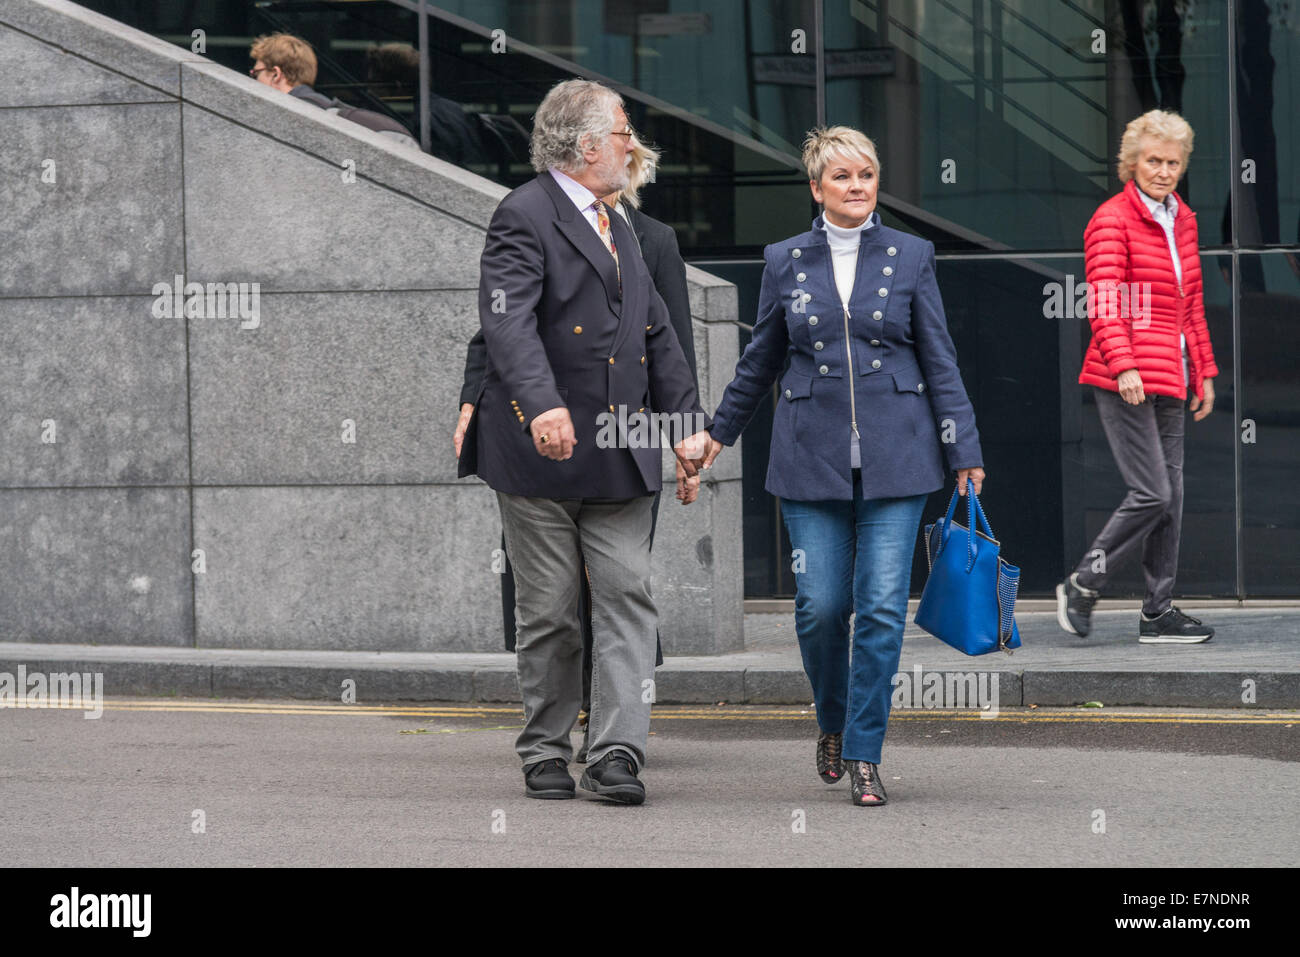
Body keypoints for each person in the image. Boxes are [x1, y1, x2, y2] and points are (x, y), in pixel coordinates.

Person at [700, 126, 984, 806]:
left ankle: (864, 749)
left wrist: (964, 448)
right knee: (822, 606)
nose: (858, 186)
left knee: (882, 609)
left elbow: (939, 358)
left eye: (867, 175)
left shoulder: (912, 254)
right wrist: (716, 434)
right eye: (844, 177)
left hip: (900, 455)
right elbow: (761, 359)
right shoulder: (785, 259)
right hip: (809, 457)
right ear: (817, 187)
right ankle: (831, 719)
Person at [458, 79, 710, 805]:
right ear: (586, 144)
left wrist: (685, 425)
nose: (634, 145)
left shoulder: (622, 224)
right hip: (541, 450)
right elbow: (505, 323)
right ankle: (544, 745)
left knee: (628, 595)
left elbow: (657, 335)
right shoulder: (522, 214)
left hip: (623, 448)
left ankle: (616, 753)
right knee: (551, 609)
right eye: (624, 132)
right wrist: (540, 404)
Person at [1057, 110, 1219, 644]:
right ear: (1133, 162)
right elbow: (1103, 302)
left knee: (1170, 496)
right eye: (1154, 160)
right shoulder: (1112, 219)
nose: (1164, 170)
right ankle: (1084, 582)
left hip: (1173, 374)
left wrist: (1205, 373)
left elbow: (1190, 304)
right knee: (1151, 492)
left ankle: (1158, 612)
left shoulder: (1184, 220)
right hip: (1124, 375)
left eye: (1173, 162)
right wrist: (1124, 364)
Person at [249, 33, 418, 148]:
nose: (254, 79)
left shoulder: (297, 119)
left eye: (255, 73)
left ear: (276, 75)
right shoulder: (331, 114)